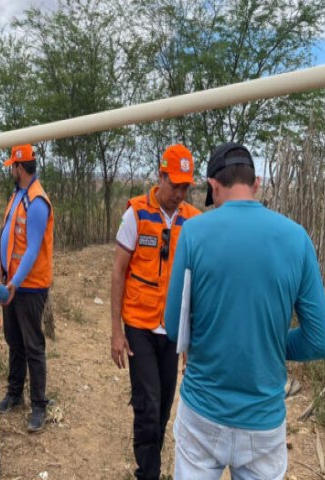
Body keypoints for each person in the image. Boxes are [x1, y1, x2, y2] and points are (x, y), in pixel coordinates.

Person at [165, 141, 325, 479]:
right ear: (256, 185)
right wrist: (271, 342)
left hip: (202, 415)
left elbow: (173, 328)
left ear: (213, 186)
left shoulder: (194, 232)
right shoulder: (296, 238)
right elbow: (321, 341)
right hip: (263, 424)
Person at [110, 144, 200, 480]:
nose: (179, 193)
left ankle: (151, 458)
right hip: (139, 325)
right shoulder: (135, 214)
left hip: (173, 330)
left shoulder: (194, 222)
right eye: (174, 184)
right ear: (160, 176)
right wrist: (116, 331)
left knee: (162, 407)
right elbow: (118, 271)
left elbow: (198, 282)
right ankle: (147, 473)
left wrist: (191, 340)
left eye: (185, 187)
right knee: (147, 404)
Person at [0, 144, 54, 433]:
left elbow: (31, 250)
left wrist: (14, 284)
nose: (11, 169)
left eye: (12, 165)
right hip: (13, 283)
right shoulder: (19, 195)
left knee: (33, 346)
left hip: (28, 287)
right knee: (14, 341)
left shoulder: (37, 201)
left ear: (19, 167)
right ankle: (14, 394)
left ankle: (39, 406)